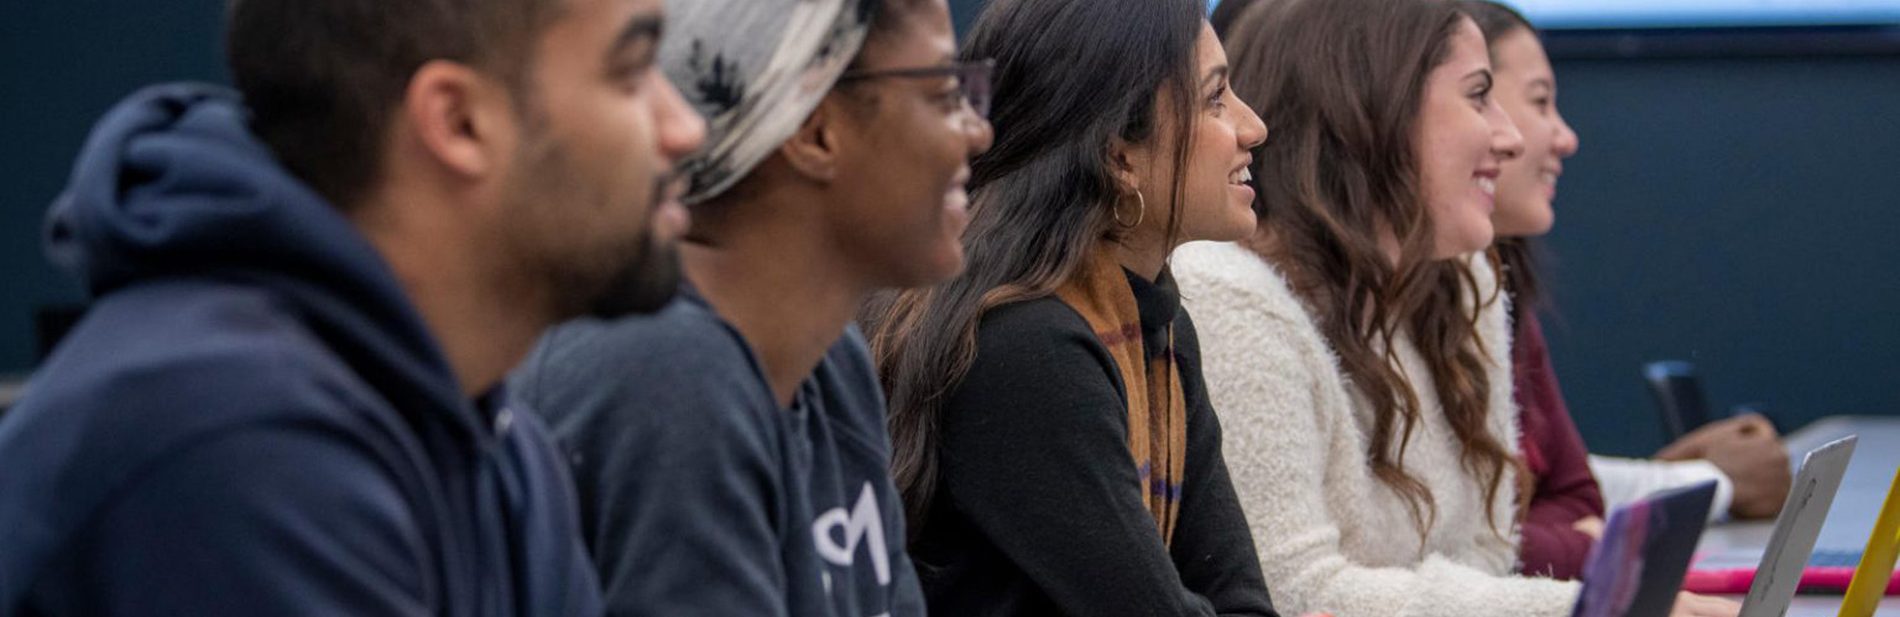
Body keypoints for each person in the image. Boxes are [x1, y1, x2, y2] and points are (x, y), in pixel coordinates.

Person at [0, 0, 705, 613]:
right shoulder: (232, 434)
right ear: (459, 121)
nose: (684, 128)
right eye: (632, 73)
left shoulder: (508, 452)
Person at [1186, 1, 1737, 615]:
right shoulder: (1229, 300)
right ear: (1372, 108)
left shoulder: (1460, 285)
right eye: (1479, 96)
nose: (1508, 137)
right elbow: (1294, 596)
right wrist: (1597, 609)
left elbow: (1488, 556)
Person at [507, 0, 991, 614]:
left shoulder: (828, 362)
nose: (979, 129)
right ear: (816, 130)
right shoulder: (667, 372)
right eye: (946, 91)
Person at [861, 0, 1278, 614]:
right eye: (1214, 99)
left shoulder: (1156, 324)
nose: (1253, 126)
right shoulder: (1022, 348)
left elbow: (1239, 597)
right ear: (1119, 155)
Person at [1455, 1, 1790, 578]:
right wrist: (1709, 481)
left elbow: (1566, 496)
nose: (1565, 137)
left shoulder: (1489, 282)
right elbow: (1467, 541)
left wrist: (1686, 482)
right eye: (1538, 101)